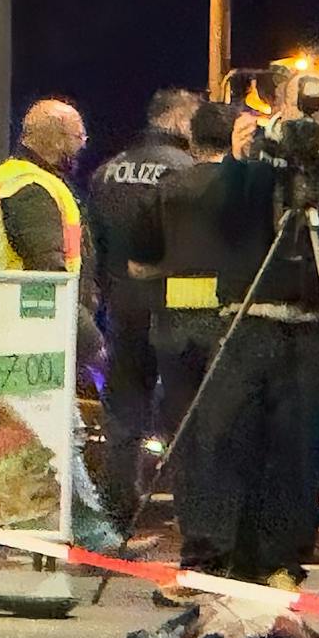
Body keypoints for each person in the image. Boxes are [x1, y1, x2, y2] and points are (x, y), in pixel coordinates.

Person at [206, 73, 319, 590]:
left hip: (313, 328)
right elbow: (226, 229)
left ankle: (283, 562)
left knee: (300, 450)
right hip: (249, 320)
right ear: (278, 108)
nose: (310, 117)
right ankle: (227, 558)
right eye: (300, 107)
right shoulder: (256, 159)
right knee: (233, 441)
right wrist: (239, 165)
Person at [0, 99, 133, 554]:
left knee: (21, 433)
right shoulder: (30, 187)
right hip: (27, 328)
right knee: (59, 428)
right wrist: (88, 336)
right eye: (78, 136)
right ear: (57, 139)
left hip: (8, 324)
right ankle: (94, 536)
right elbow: (49, 271)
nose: (82, 145)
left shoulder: (22, 180)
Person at [124, 99, 238, 602]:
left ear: (192, 140)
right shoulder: (249, 190)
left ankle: (196, 550)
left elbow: (138, 266)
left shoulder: (166, 190)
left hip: (175, 330)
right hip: (230, 328)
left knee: (186, 443)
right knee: (231, 440)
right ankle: (230, 552)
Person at [84, 88, 198, 529]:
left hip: (123, 308)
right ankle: (192, 516)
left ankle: (118, 513)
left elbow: (95, 246)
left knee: (123, 416)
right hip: (176, 309)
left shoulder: (106, 172)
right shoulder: (187, 173)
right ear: (176, 120)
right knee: (184, 414)